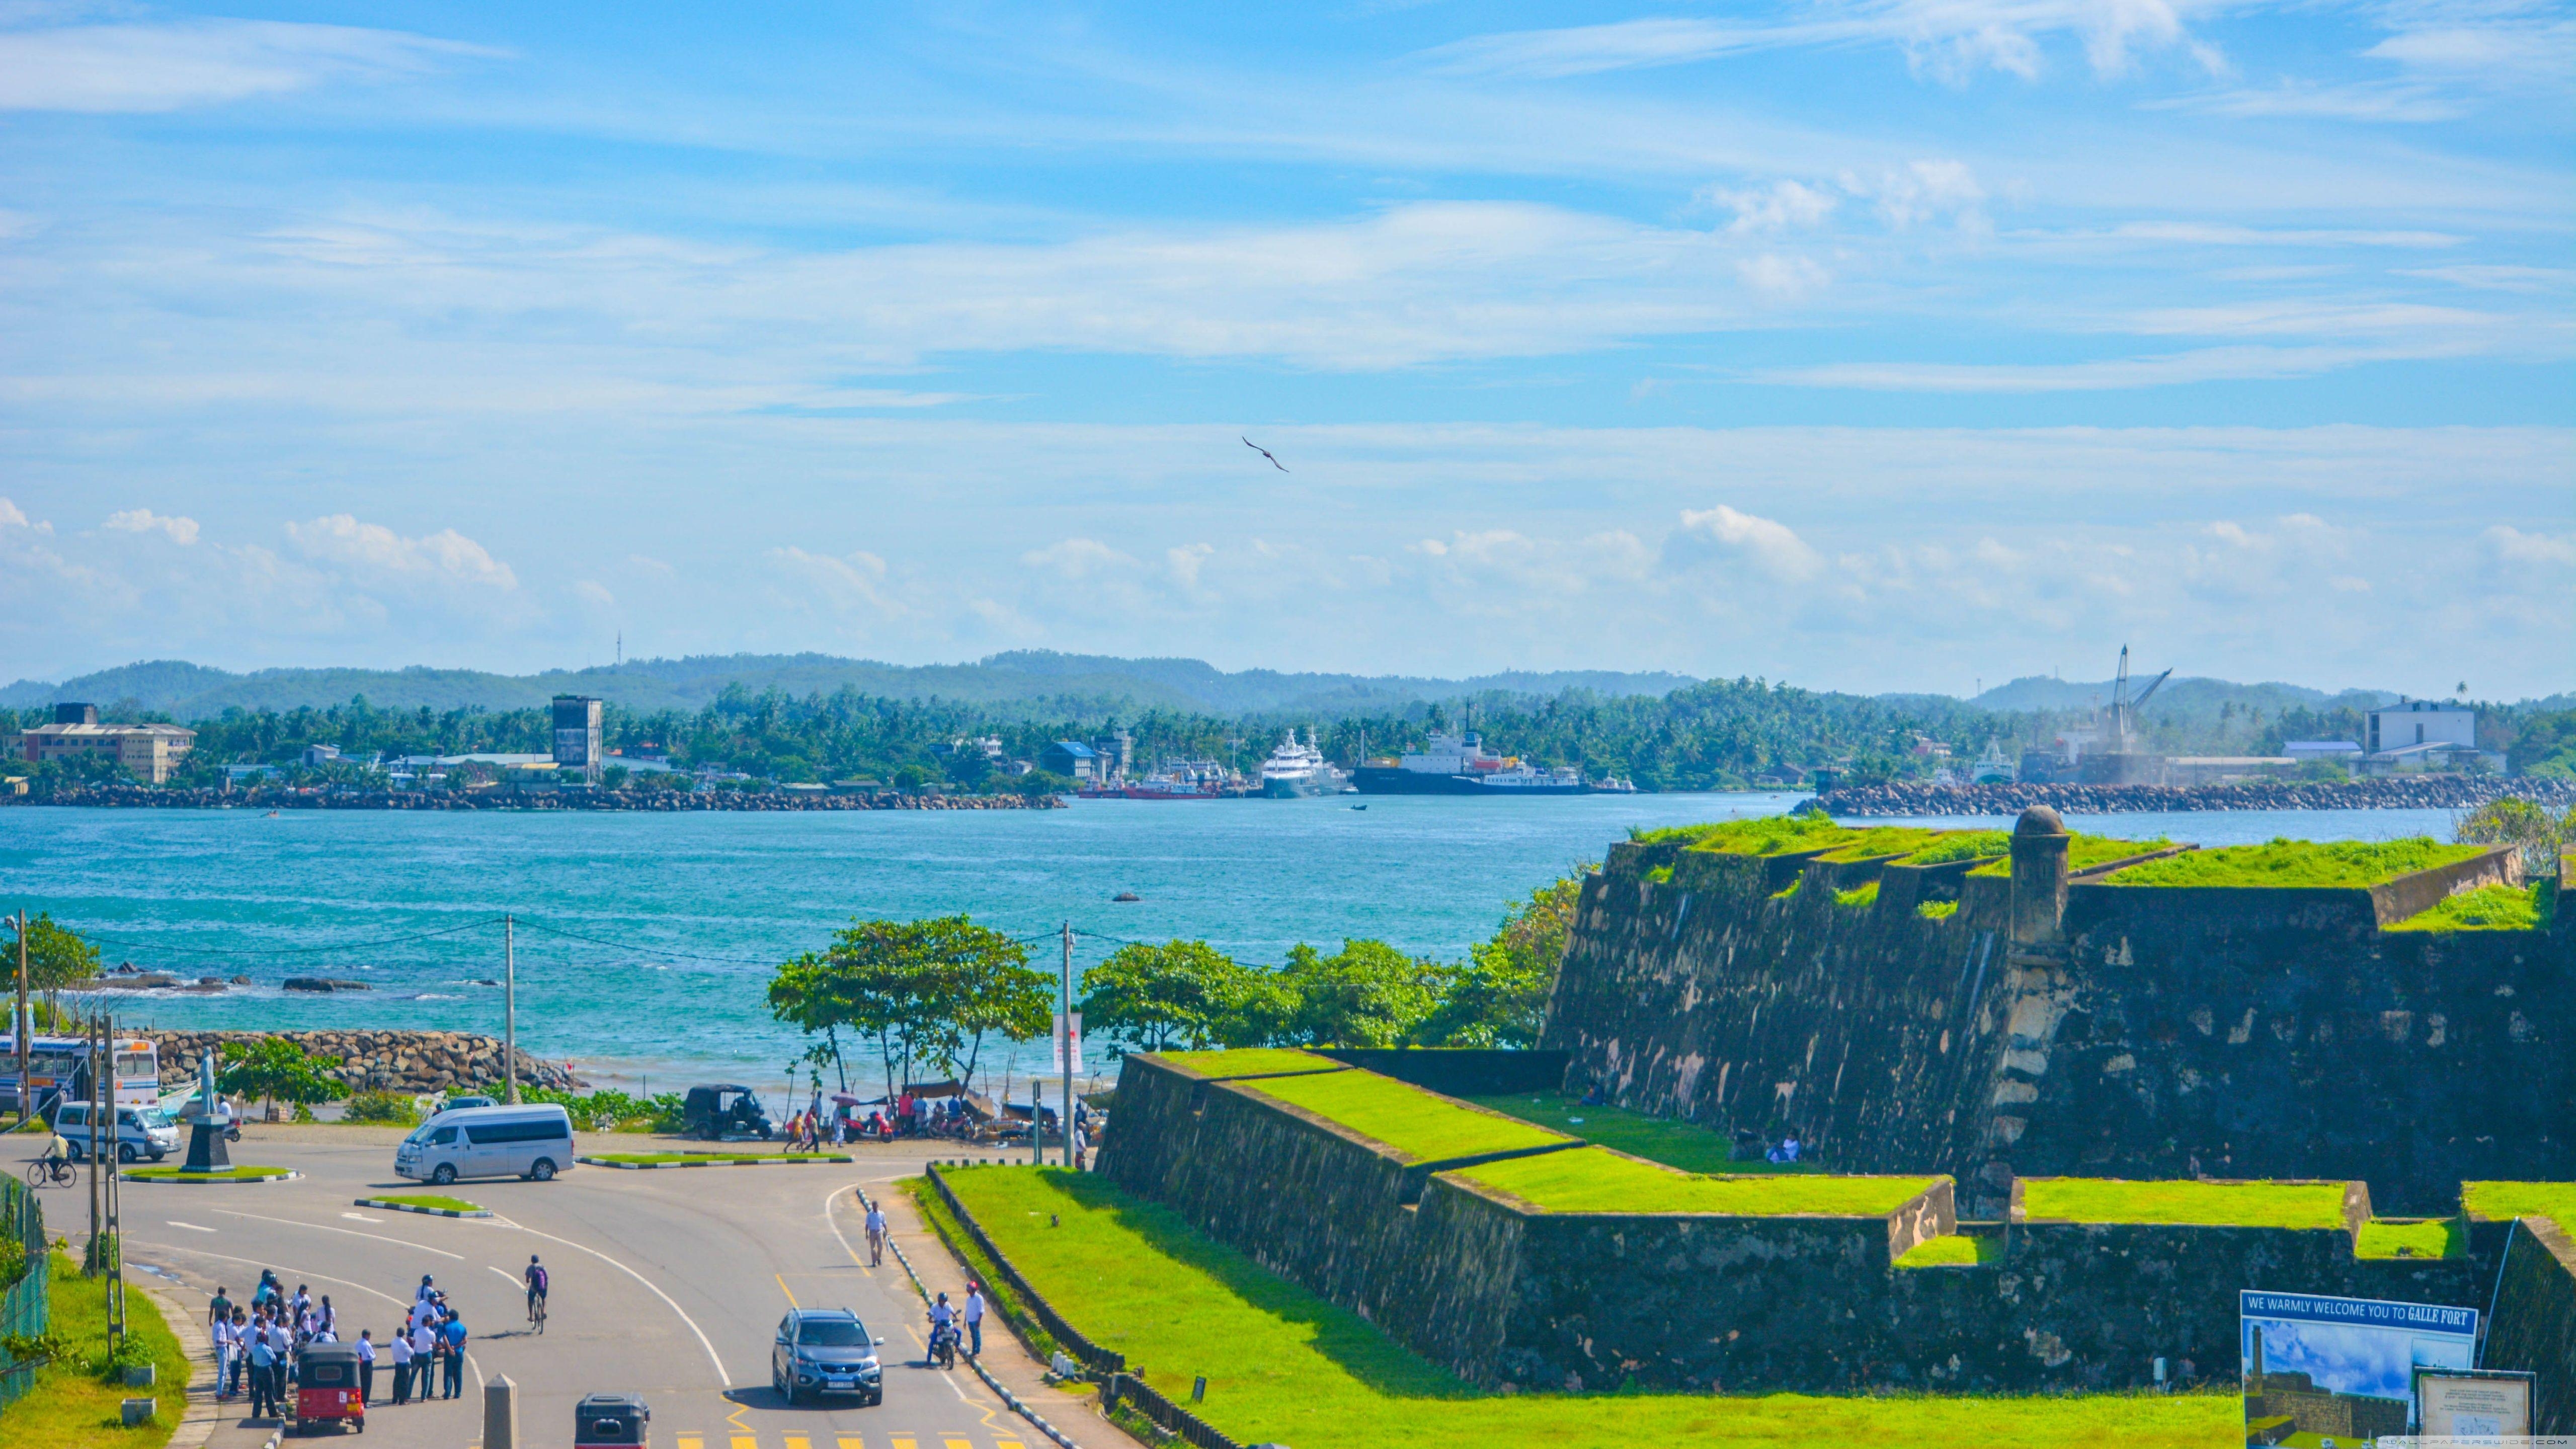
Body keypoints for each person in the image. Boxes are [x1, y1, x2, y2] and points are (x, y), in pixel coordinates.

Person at [247, 1312, 278, 1418]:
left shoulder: (255, 1349)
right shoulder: (267, 1348)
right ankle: (272, 1413)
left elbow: (254, 1361)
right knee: (269, 1393)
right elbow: (274, 1359)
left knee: (258, 1394)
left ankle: (256, 1414)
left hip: (257, 1371)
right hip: (267, 1371)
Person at [210, 1307, 237, 1402]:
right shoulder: (221, 1326)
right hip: (222, 1349)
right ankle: (219, 1393)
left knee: (225, 1371)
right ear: (225, 1318)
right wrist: (227, 1341)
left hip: (220, 1349)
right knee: (222, 1372)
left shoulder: (216, 1325)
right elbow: (219, 1340)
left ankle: (220, 1391)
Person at [440, 1312, 467, 1399]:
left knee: (448, 1373)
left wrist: (450, 1348)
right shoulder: (462, 1327)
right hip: (459, 1352)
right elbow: (465, 1341)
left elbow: (445, 1339)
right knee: (458, 1373)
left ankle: (447, 1392)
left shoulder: (446, 1327)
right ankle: (458, 1393)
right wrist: (456, 1347)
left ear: (450, 1317)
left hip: (449, 1353)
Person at [388, 1325, 413, 1406]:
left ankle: (395, 1398)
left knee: (397, 1381)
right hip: (404, 1364)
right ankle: (402, 1400)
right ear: (403, 1334)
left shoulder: (393, 1341)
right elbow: (411, 1353)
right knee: (404, 1382)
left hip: (397, 1363)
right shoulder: (404, 1343)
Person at [523, 1254, 548, 1324]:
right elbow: (547, 1277)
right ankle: (544, 1311)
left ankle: (531, 1317)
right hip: (543, 1286)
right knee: (543, 1298)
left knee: (530, 1299)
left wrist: (529, 1281)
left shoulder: (530, 1268)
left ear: (532, 1260)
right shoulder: (543, 1267)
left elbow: (527, 1280)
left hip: (535, 1287)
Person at [354, 1329, 375, 1404]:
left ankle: (360, 1400)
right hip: (367, 1365)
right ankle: (365, 1402)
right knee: (367, 1384)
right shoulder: (367, 1344)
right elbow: (373, 1356)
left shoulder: (357, 1343)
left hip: (359, 1364)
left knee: (361, 1383)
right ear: (367, 1336)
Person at [963, 1282, 985, 1357]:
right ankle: (973, 1351)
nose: (968, 1289)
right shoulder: (968, 1298)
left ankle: (977, 1352)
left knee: (977, 1336)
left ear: (973, 1289)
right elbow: (967, 1310)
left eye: (969, 1288)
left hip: (976, 1321)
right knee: (973, 1336)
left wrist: (979, 1321)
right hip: (970, 1320)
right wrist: (965, 1321)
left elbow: (981, 1311)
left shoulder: (979, 1298)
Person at [863, 1198, 888, 1267]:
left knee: (880, 1247)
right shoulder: (870, 1215)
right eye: (873, 1207)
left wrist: (886, 1231)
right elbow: (867, 1224)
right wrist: (866, 1233)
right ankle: (874, 1262)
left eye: (875, 1207)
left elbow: (884, 1223)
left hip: (879, 1232)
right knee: (873, 1248)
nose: (874, 1208)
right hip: (872, 1232)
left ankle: (878, 1258)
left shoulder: (882, 1214)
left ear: (878, 1206)